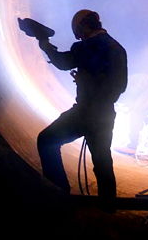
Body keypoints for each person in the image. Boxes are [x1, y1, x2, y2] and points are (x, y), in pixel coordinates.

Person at [36, 10, 128, 199]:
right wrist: (89, 81)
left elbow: (63, 62)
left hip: (85, 113)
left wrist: (45, 45)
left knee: (46, 141)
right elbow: (121, 86)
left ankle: (59, 195)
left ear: (83, 27)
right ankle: (108, 207)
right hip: (105, 114)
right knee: (103, 163)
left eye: (79, 33)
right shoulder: (117, 48)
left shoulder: (85, 46)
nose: (80, 37)